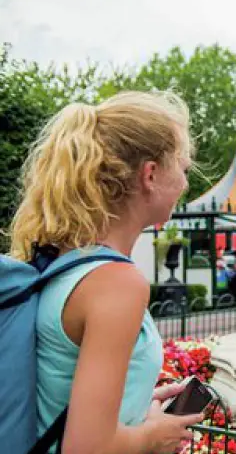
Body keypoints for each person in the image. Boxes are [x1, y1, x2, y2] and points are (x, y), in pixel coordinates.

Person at [8, 91, 204, 453]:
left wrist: (137, 407)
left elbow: (61, 391)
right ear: (150, 174)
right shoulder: (116, 283)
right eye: (183, 166)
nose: (185, 182)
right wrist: (153, 437)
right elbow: (87, 448)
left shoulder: (65, 262)